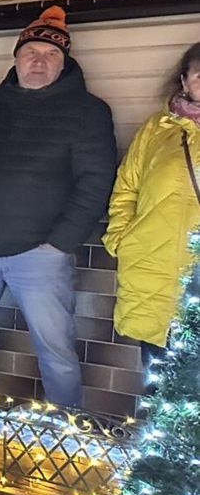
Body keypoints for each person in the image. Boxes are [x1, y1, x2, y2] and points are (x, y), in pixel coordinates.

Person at [0, 7, 116, 407]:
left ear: (64, 63)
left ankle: (66, 431)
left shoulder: (87, 112)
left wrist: (59, 243)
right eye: (31, 52)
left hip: (41, 255)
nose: (39, 61)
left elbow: (96, 183)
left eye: (51, 54)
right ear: (16, 57)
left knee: (56, 352)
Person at [106, 43, 200, 366]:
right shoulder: (156, 129)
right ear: (184, 81)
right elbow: (126, 189)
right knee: (158, 380)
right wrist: (122, 240)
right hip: (152, 270)